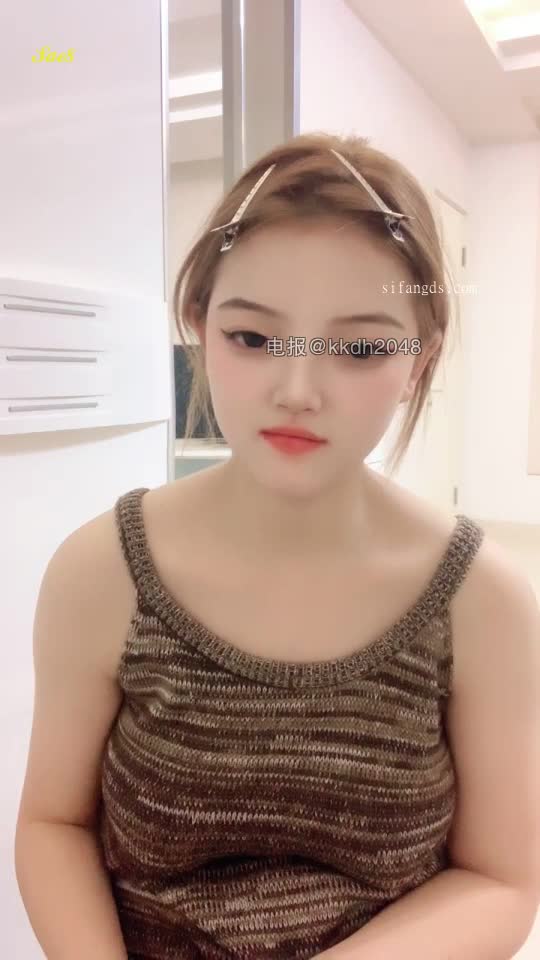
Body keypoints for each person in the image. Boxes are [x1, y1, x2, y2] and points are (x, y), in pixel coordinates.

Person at [14, 132, 540, 960]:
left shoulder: (484, 600)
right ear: (199, 326)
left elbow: (502, 877)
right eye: (255, 339)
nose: (297, 390)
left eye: (360, 349)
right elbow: (54, 823)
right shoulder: (104, 572)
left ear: (419, 359)